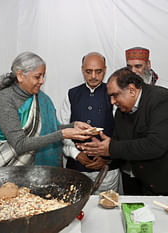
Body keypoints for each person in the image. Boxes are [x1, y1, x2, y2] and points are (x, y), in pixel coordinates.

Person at [78, 67, 168, 199]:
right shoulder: (121, 112)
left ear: (131, 90)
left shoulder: (162, 100)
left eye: (115, 95)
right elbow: (121, 145)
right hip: (151, 187)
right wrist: (103, 151)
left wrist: (111, 148)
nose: (112, 102)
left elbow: (155, 145)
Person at [0, 51, 91, 168]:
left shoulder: (42, 99)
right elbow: (19, 144)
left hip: (35, 170)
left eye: (43, 76)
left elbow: (49, 129)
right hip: (7, 169)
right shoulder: (4, 99)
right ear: (20, 75)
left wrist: (72, 126)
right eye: (37, 77)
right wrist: (62, 134)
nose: (42, 81)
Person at [60, 52, 120, 193]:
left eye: (98, 71)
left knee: (106, 210)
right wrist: (76, 154)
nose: (93, 76)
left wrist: (107, 157)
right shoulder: (72, 94)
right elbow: (62, 130)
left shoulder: (115, 94)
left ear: (105, 70)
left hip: (106, 171)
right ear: (82, 70)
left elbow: (122, 132)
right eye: (88, 71)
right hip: (75, 169)